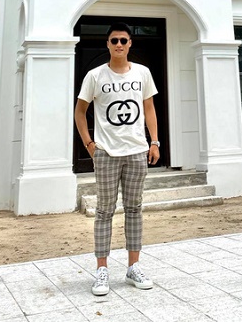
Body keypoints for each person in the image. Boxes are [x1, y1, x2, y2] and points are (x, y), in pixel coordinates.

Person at [74, 21, 160, 296]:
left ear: (130, 44)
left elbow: (149, 108)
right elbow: (80, 111)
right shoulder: (95, 76)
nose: (119, 44)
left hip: (136, 151)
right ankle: (102, 270)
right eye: (115, 40)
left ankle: (133, 267)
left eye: (124, 40)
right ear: (108, 44)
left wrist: (154, 141)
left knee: (134, 209)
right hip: (107, 153)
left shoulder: (143, 73)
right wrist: (89, 144)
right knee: (104, 211)